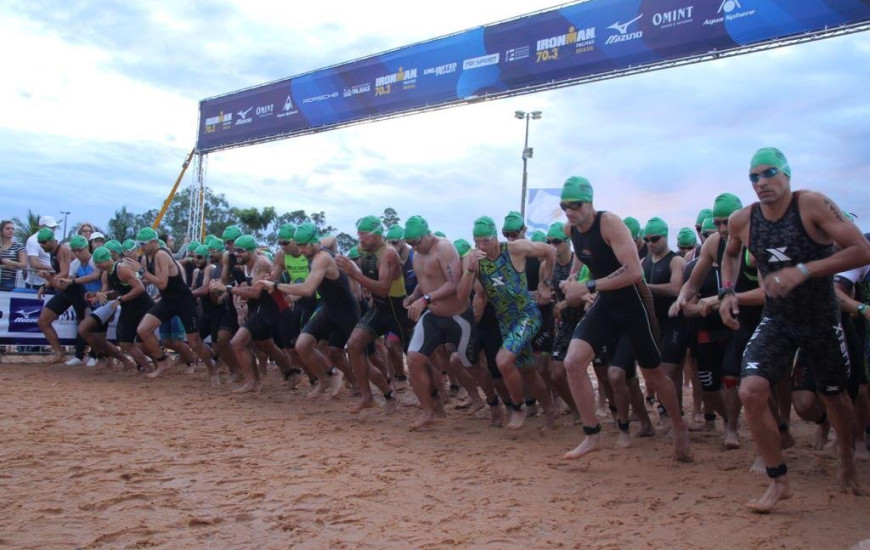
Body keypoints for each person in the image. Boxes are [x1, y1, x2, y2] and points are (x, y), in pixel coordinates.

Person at [719, 147, 870, 512]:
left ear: (787, 173)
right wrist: (726, 291)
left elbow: (861, 250)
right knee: (751, 391)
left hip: (821, 318)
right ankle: (778, 479)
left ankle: (847, 456)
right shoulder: (743, 220)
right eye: (753, 177)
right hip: (778, 319)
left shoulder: (812, 205)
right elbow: (731, 252)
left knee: (834, 396)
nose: (761, 182)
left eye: (769, 173)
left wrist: (803, 271)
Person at [557, 176, 691, 461]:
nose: (569, 210)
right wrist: (571, 278)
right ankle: (592, 434)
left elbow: (634, 272)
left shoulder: (609, 223)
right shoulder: (572, 229)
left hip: (634, 304)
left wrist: (589, 286)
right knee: (573, 362)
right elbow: (582, 257)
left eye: (575, 204)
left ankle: (679, 426)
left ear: (590, 202)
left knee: (654, 375)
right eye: (564, 205)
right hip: (607, 304)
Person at [459, 215, 557, 430]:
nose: (480, 246)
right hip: (505, 320)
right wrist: (469, 270)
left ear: (495, 237)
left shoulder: (514, 248)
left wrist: (545, 283)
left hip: (527, 314)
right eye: (476, 241)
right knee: (528, 370)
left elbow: (551, 251)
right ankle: (550, 410)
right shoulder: (473, 259)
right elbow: (461, 296)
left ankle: (518, 407)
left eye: (485, 240)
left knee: (503, 361)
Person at [403, 216, 500, 429]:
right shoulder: (417, 254)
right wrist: (414, 296)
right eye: (411, 244)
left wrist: (426, 299)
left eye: (417, 242)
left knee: (471, 366)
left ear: (427, 234)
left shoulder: (444, 248)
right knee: (413, 360)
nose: (415, 247)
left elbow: (455, 284)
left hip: (458, 316)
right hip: (433, 316)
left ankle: (493, 404)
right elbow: (425, 281)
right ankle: (428, 411)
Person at [263, 223, 348, 399]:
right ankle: (322, 379)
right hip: (301, 301)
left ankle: (336, 378)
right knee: (301, 345)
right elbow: (275, 277)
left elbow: (332, 240)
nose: (283, 247)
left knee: (320, 344)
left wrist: (332, 251)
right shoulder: (281, 255)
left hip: (318, 299)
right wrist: (269, 281)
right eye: (280, 243)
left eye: (286, 243)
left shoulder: (313, 251)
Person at [129, 227, 217, 382]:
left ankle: (212, 369)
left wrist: (142, 271)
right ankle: (163, 361)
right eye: (139, 244)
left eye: (143, 244)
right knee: (143, 330)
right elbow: (153, 279)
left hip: (183, 301)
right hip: (168, 300)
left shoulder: (161, 254)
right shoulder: (146, 257)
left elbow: (162, 283)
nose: (140, 247)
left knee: (195, 343)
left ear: (154, 242)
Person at [335, 215, 404, 413]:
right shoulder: (361, 252)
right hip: (379, 309)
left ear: (378, 235)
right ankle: (372, 395)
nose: (361, 240)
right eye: (359, 235)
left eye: (365, 235)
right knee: (354, 345)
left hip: (398, 310)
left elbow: (383, 288)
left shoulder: (388, 253)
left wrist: (354, 274)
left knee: (418, 357)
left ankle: (437, 398)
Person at [211, 235, 295, 392]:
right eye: (234, 250)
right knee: (256, 343)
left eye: (240, 251)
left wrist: (227, 289)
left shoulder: (260, 263)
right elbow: (245, 285)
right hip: (260, 307)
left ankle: (263, 379)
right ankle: (270, 377)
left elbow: (256, 292)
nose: (236, 254)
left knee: (243, 343)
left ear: (251, 251)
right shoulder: (244, 264)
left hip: (274, 308)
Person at [33, 228, 74, 363]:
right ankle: (59, 353)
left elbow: (65, 273)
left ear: (52, 241)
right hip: (65, 290)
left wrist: (47, 282)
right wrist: (47, 283)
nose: (41, 245)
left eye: (43, 242)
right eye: (39, 243)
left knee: (85, 325)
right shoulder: (52, 252)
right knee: (43, 321)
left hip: (77, 289)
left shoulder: (63, 250)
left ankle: (93, 356)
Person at [25, 215, 60, 289]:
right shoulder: (33, 241)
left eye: (53, 227)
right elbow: (34, 264)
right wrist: (55, 268)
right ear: (41, 227)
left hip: (53, 281)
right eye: (50, 227)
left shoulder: (55, 239)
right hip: (36, 283)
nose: (52, 229)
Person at [0, 220, 26, 288]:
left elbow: (24, 264)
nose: (11, 231)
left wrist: (11, 262)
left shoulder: (18, 246)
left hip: (10, 280)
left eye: (12, 229)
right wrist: (3, 266)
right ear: (1, 231)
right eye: (7, 228)